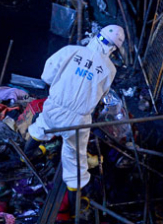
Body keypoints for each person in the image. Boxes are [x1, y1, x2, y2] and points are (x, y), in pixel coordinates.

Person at [25, 25, 124, 212]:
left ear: (96, 37)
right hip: (77, 121)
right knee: (74, 161)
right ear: (113, 49)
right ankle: (74, 207)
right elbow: (102, 94)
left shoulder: (71, 51)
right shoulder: (110, 69)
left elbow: (47, 76)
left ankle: (24, 159)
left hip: (54, 109)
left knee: (41, 127)